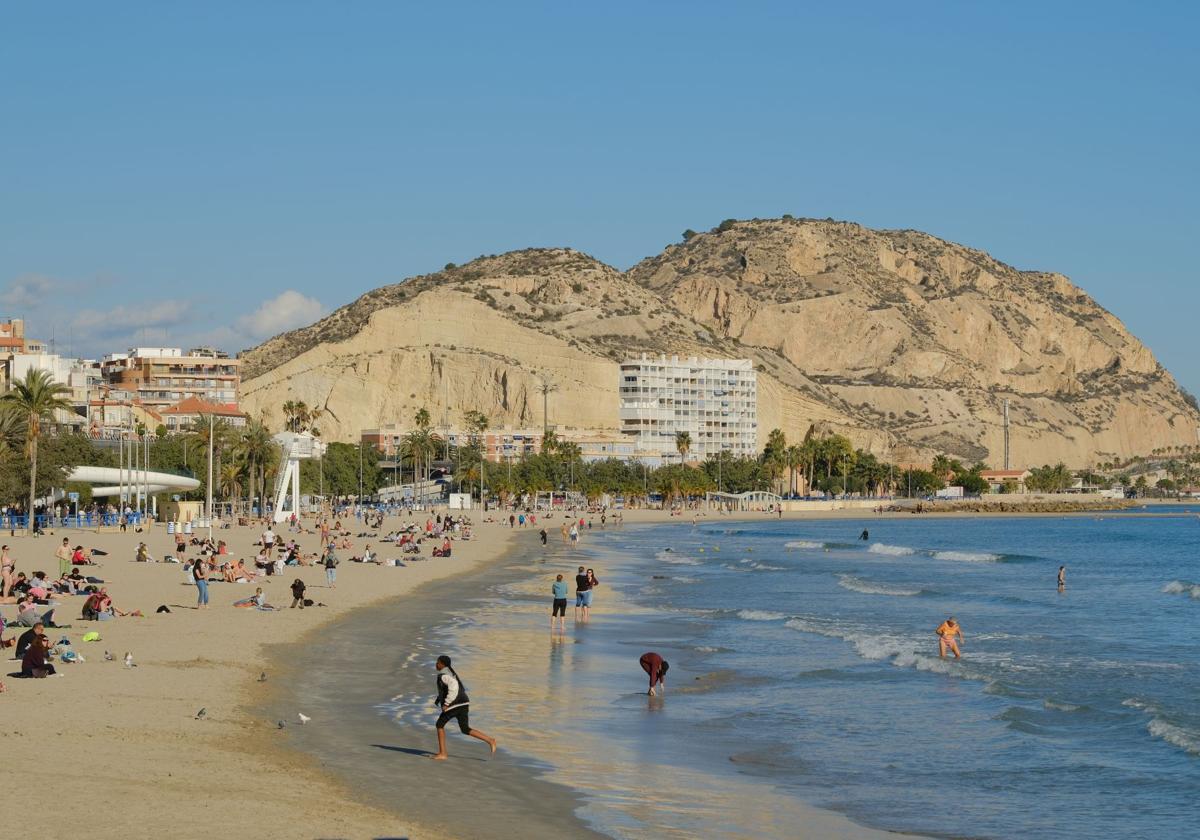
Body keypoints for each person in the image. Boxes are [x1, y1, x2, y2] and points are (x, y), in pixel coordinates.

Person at [430, 655, 497, 760]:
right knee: (465, 729)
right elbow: (449, 688)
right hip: (464, 703)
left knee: (439, 724)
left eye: (437, 662)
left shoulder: (444, 675)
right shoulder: (451, 673)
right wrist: (439, 699)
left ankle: (443, 753)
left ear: (442, 664)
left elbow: (454, 687)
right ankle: (490, 740)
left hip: (454, 705)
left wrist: (446, 703)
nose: (436, 664)